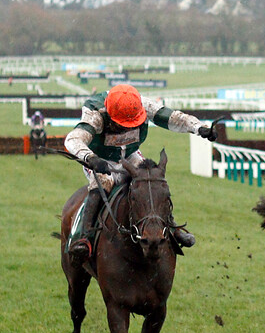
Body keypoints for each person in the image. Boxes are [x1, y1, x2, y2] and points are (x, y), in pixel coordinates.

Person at [64, 83, 218, 264]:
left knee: (151, 179)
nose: (128, 129)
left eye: (132, 125)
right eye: (123, 125)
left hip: (129, 155)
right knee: (104, 182)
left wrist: (200, 128)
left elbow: (175, 118)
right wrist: (90, 158)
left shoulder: (140, 104)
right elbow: (72, 139)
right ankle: (84, 237)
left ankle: (172, 228)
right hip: (98, 159)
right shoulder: (95, 114)